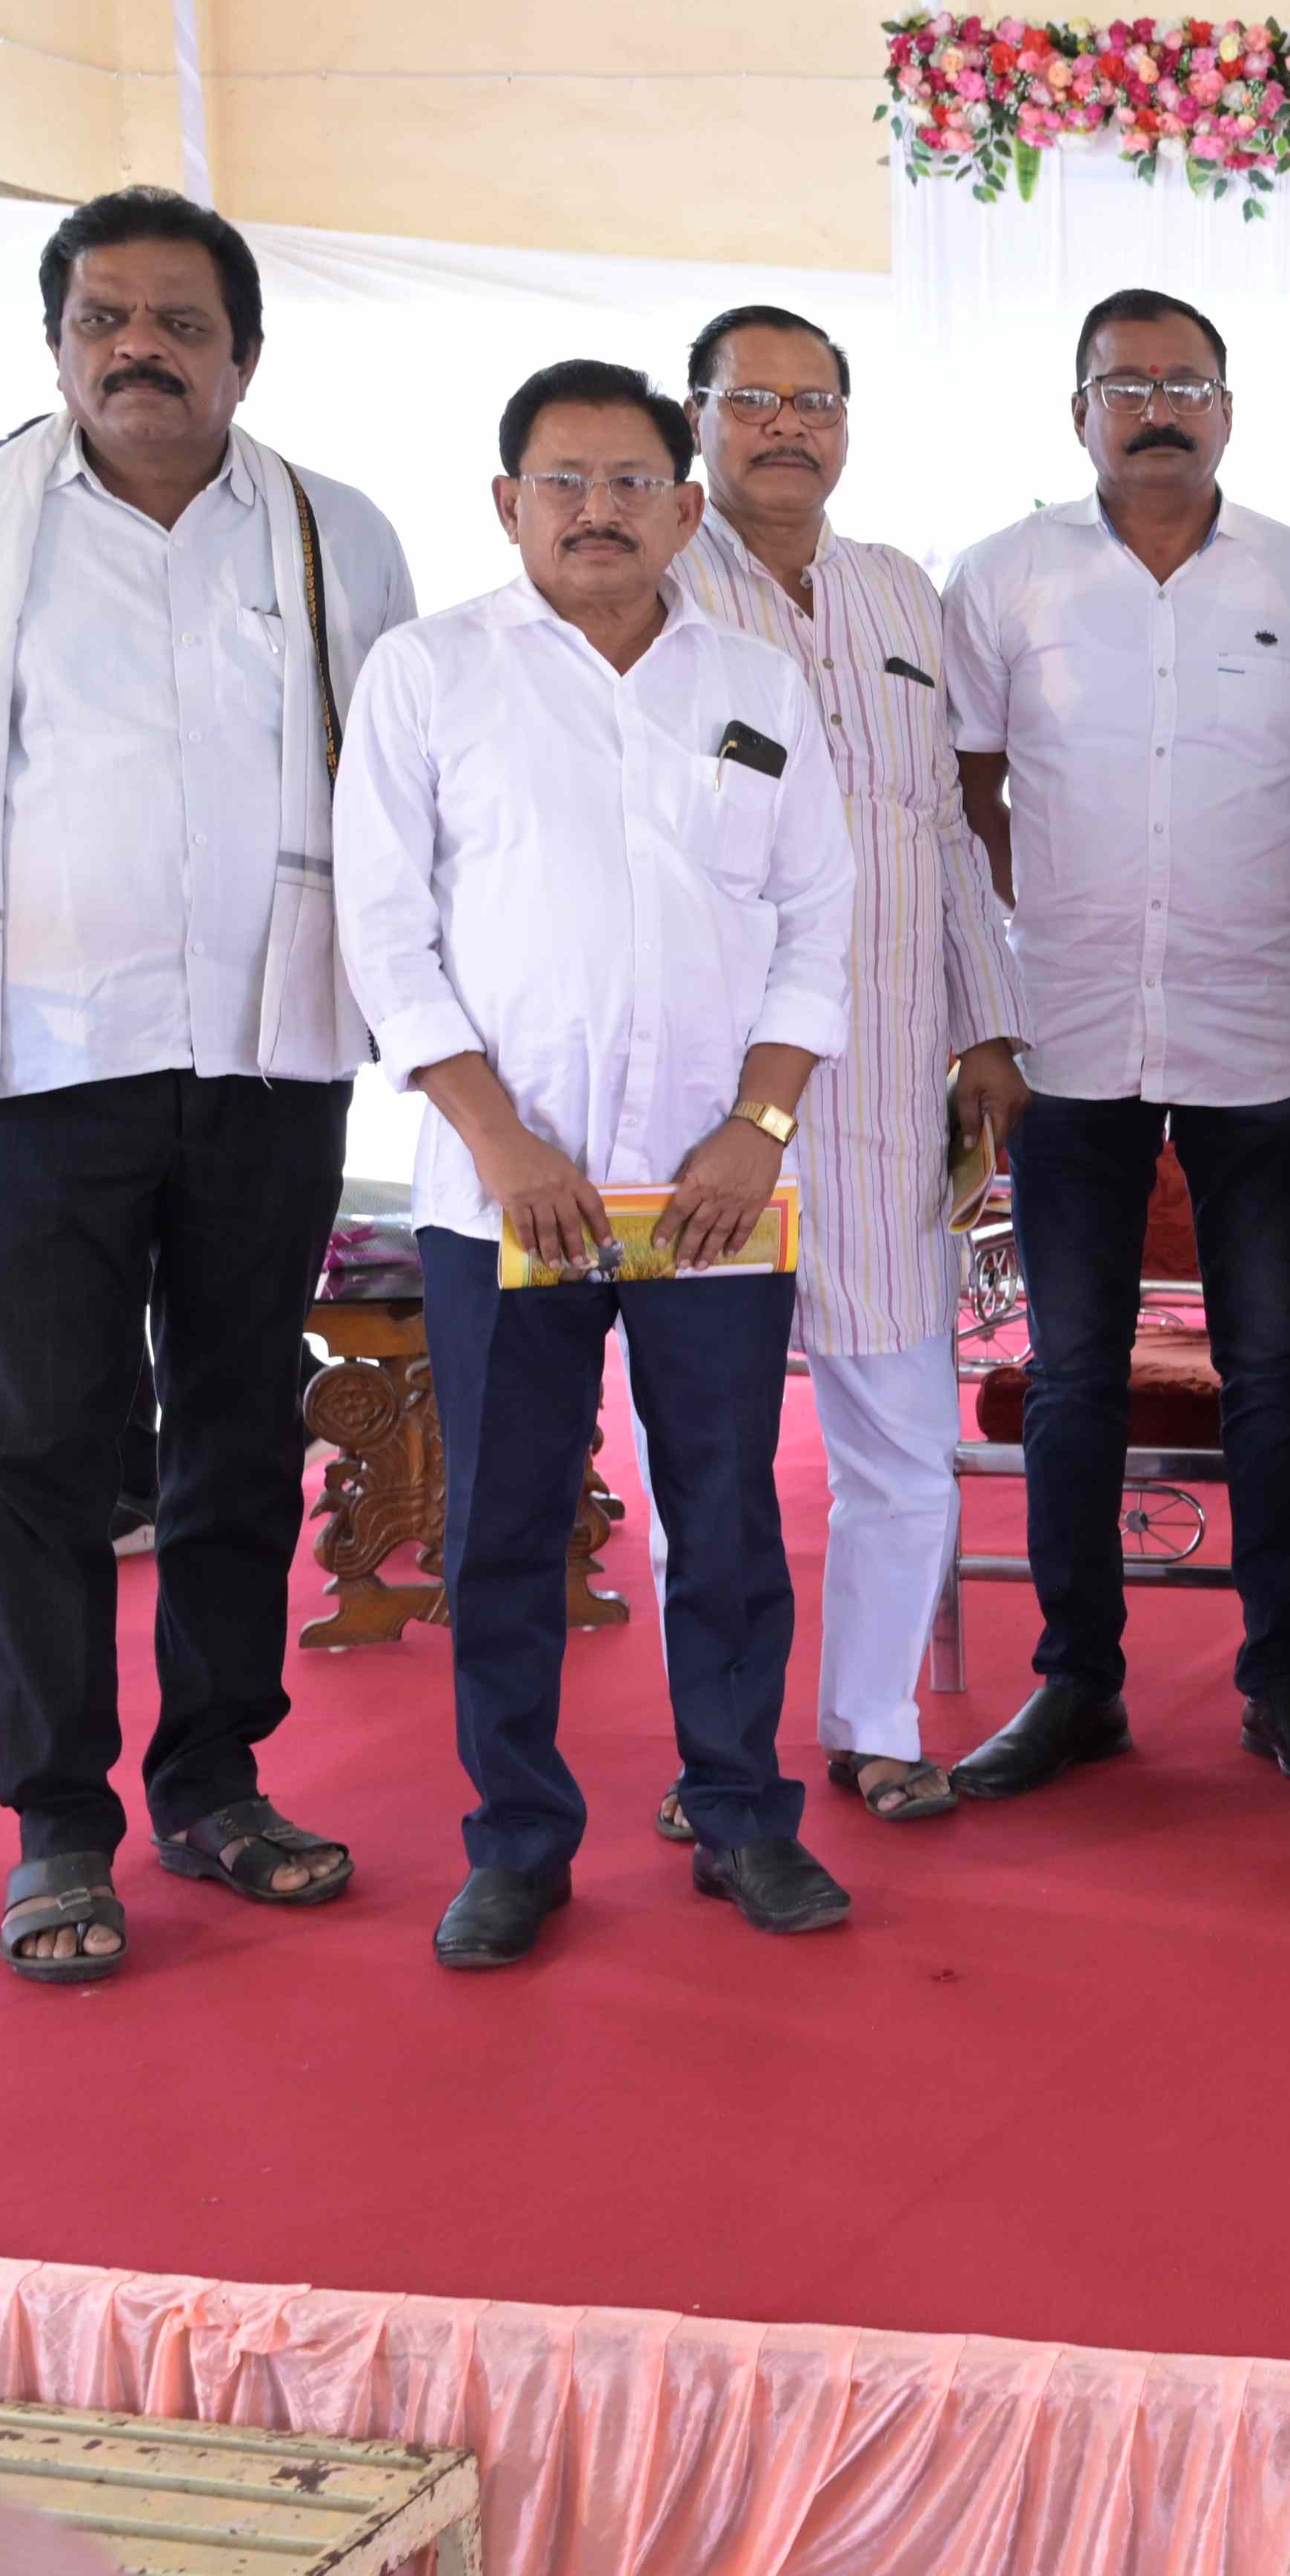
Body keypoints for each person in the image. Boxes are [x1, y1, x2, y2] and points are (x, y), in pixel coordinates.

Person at [0, 185, 416, 1985]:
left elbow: (391, 762)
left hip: (267, 1046)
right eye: (105, 318)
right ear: (57, 344)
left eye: (180, 321)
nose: (140, 349)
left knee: (239, 1424)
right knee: (41, 1446)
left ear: (246, 353)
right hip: (37, 1054)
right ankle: (57, 1823)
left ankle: (217, 1783)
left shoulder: (335, 532)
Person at [336, 361, 860, 1969]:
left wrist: (758, 1128)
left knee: (728, 1512)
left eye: (632, 481)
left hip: (714, 1192)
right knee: (505, 1521)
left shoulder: (757, 683)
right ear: (508, 504)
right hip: (508, 1191)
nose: (596, 510)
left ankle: (744, 1816)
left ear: (687, 508)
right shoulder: (430, 674)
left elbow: (815, 922)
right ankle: (517, 1843)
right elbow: (384, 932)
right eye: (562, 481)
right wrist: (500, 1143)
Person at [940, 288, 1290, 1803]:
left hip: (1259, 1030)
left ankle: (1282, 1677)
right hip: (1066, 1034)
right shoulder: (1002, 575)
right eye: (1125, 385)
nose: (1157, 408)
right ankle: (1078, 1683)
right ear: (1079, 413)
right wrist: (1016, 953)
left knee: (1270, 1364)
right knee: (1070, 1370)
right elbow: (965, 793)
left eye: (1186, 382)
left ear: (1229, 410)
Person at [641, 304, 1025, 1832]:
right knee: (708, 1451)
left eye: (814, 401)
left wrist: (986, 1023)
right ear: (698, 417)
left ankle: (875, 1723)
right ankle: (716, 1756)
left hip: (883, 1085)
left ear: (849, 426)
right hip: (707, 1095)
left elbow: (941, 828)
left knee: (903, 1434)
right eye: (753, 400)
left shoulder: (897, 590)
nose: (786, 426)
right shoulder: (653, 587)